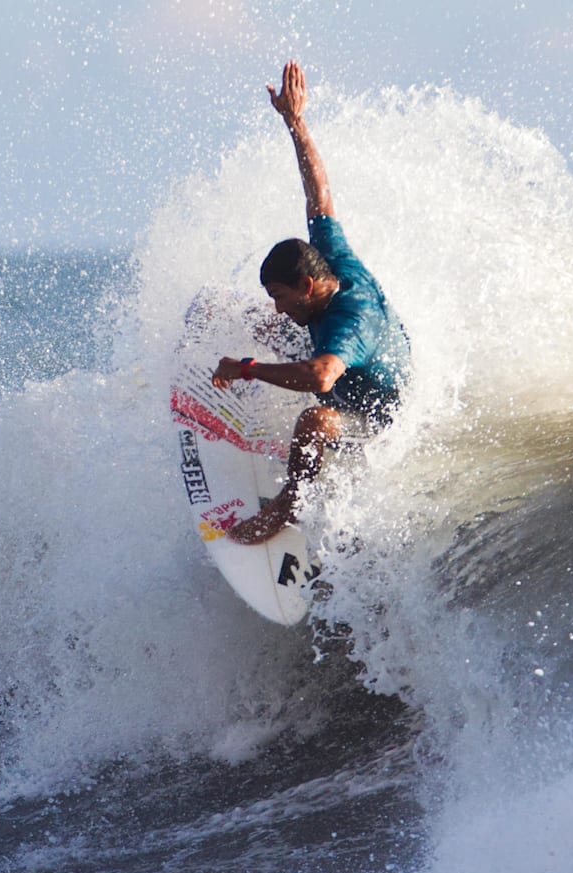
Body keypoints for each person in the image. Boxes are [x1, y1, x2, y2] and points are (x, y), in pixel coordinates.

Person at [211, 60, 410, 545]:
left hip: (375, 412)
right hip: (338, 357)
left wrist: (249, 369)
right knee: (246, 319)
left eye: (281, 296)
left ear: (305, 285)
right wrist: (296, 123)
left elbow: (322, 377)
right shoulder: (330, 259)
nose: (279, 305)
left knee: (314, 418)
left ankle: (287, 505)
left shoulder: (351, 320)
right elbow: (319, 197)